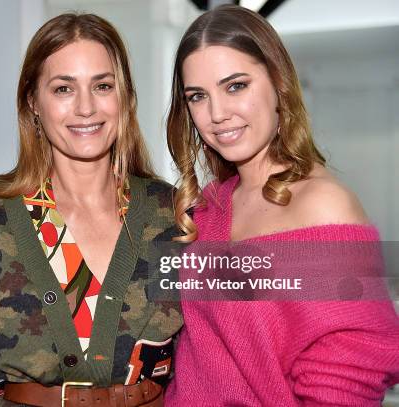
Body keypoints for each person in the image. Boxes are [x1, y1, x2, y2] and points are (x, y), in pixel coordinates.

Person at [164, 5, 399, 406]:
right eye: (198, 97)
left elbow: (349, 374)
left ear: (278, 83)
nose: (217, 114)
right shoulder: (208, 207)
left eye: (235, 86)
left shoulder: (323, 205)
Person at [0, 13, 183, 407]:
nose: (85, 107)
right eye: (63, 88)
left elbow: (293, 294)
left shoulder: (174, 214)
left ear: (124, 97)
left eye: (102, 86)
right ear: (33, 102)